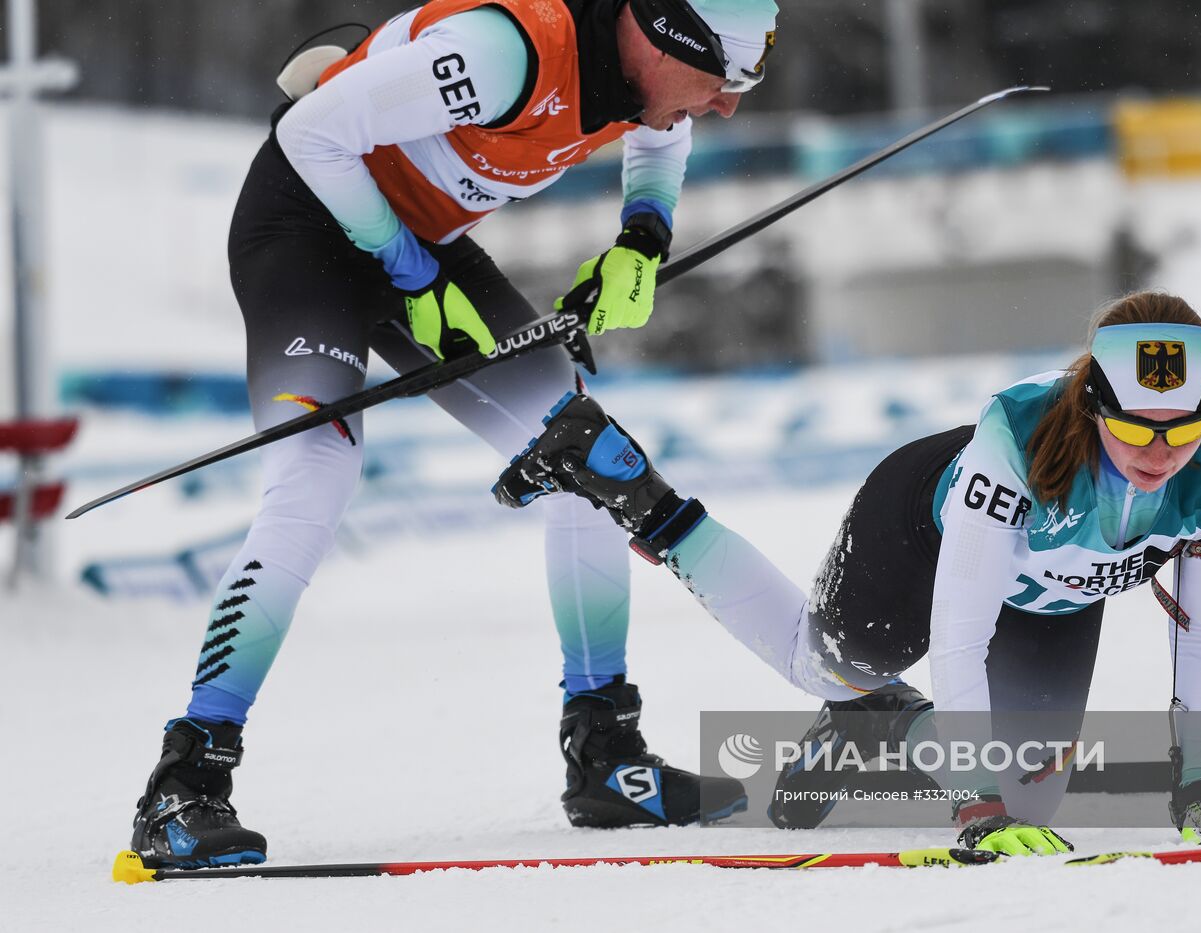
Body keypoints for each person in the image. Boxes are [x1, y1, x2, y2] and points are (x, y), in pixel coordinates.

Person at [129, 0, 781, 869]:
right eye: (723, 81)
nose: (727, 106)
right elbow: (309, 136)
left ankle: (604, 754)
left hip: (418, 245)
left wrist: (642, 238)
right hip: (305, 230)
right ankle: (185, 781)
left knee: (582, 453)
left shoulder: (640, 77)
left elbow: (662, 135)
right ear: (668, 37)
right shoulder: (504, 54)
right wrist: (407, 272)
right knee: (317, 474)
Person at [496, 291, 1201, 854]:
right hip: (921, 533)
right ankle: (630, 483)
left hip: (1056, 590)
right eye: (1135, 427)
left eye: (1182, 428)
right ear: (1090, 406)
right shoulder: (1012, 448)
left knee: (1035, 796)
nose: (1160, 452)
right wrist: (975, 806)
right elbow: (960, 636)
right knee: (827, 663)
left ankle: (875, 716)